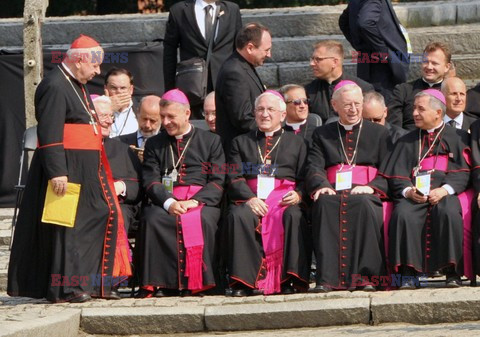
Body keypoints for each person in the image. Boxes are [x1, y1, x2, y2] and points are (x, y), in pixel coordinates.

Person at [8, 35, 131, 303]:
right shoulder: (54, 85)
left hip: (87, 170)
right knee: (69, 230)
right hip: (67, 171)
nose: (98, 72)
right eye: (95, 66)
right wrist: (57, 172)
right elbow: (49, 132)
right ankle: (70, 287)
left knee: (102, 213)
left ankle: (96, 283)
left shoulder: (77, 83)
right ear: (80, 61)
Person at [137, 89, 225, 297]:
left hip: (199, 201)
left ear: (187, 114)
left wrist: (194, 202)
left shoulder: (211, 141)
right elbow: (150, 180)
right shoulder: (154, 144)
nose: (166, 122)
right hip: (166, 200)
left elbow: (218, 181)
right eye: (163, 117)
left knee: (203, 219)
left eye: (171, 117)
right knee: (153, 219)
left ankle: (199, 283)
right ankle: (162, 284)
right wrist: (168, 202)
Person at [306, 81, 390, 292]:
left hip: (367, 189)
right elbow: (314, 165)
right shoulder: (322, 133)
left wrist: (373, 187)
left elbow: (389, 167)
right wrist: (321, 185)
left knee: (363, 202)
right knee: (324, 202)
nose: (353, 110)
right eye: (347, 105)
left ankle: (367, 277)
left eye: (357, 104)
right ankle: (327, 279)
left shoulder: (379, 133)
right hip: (333, 189)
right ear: (335, 106)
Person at [382, 89, 470, 289]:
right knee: (403, 214)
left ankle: (452, 272)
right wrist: (408, 191)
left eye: (420, 109)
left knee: (448, 212)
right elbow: (397, 175)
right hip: (416, 193)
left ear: (438, 113)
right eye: (414, 108)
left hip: (444, 193)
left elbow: (463, 172)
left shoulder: (458, 137)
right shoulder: (406, 140)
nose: (414, 113)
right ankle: (408, 274)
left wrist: (445, 190)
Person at [226, 90, 309, 296]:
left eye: (270, 109)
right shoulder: (240, 142)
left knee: (293, 215)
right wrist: (249, 198)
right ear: (254, 114)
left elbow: (307, 176)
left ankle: (288, 279)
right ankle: (244, 282)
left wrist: (298, 194)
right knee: (239, 215)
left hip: (283, 199)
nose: (265, 114)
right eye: (260, 110)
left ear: (282, 115)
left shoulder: (298, 142)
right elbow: (234, 177)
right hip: (252, 198)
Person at [163, 0, 242, 118]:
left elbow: (239, 48)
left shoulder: (232, 10)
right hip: (193, 87)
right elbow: (169, 52)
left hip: (225, 84)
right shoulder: (179, 11)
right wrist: (171, 91)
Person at [216, 22, 271, 153]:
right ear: (250, 48)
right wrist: (271, 128)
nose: (269, 55)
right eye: (266, 50)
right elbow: (243, 118)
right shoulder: (234, 72)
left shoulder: (242, 65)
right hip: (241, 152)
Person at [339, 0, 410, 99]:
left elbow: (344, 21)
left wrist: (360, 45)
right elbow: (365, 23)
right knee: (384, 107)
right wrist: (383, 51)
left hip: (370, 63)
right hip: (382, 68)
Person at [93, 95, 142, 235]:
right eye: (103, 116)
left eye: (111, 116)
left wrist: (122, 186)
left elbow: (139, 186)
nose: (109, 121)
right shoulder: (76, 148)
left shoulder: (123, 149)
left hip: (118, 206)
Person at [305, 40, 374, 124]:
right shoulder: (309, 90)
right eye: (312, 59)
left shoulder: (363, 88)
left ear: (335, 62)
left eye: (318, 59)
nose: (312, 63)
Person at [388, 42, 452, 130]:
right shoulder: (403, 91)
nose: (429, 67)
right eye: (426, 62)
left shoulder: (453, 93)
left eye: (434, 63)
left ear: (447, 67)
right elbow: (394, 129)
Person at [118, 95, 162, 161]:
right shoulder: (119, 142)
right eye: (144, 119)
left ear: (162, 118)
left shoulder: (167, 146)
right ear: (138, 113)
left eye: (152, 121)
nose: (147, 125)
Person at [105, 67, 138, 137]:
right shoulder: (95, 108)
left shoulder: (139, 110)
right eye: (113, 88)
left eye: (123, 88)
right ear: (106, 89)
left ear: (131, 90)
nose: (119, 92)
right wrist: (108, 109)